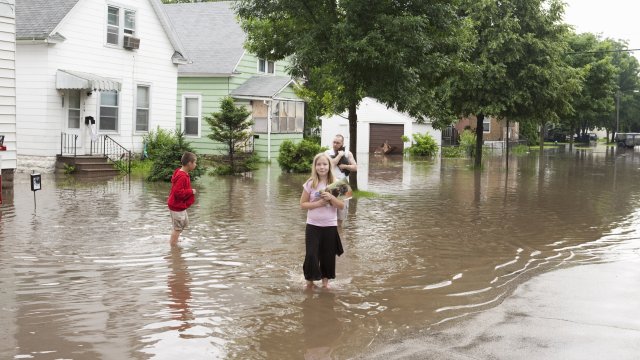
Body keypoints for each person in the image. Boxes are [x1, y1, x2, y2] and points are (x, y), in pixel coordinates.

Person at [300, 153, 345, 288]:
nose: (322, 167)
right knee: (311, 255)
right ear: (315, 167)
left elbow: (341, 206)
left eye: (325, 164)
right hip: (312, 225)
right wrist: (318, 204)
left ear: (329, 166)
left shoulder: (337, 182)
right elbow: (302, 204)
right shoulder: (310, 183)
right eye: (318, 164)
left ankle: (325, 283)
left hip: (330, 226)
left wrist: (331, 198)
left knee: (327, 255)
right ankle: (310, 281)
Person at [324, 134, 357, 226]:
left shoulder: (348, 153)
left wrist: (345, 166)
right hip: (330, 183)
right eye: (334, 142)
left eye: (338, 143)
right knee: (328, 213)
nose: (335, 144)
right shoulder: (327, 153)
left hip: (343, 185)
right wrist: (339, 155)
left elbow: (355, 167)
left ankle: (340, 236)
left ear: (342, 143)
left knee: (341, 215)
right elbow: (332, 164)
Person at [167, 152, 197, 247]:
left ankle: (175, 238)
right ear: (189, 163)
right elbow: (178, 192)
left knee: (184, 223)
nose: (196, 164)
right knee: (177, 228)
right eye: (195, 162)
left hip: (179, 205)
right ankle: (173, 246)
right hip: (176, 205)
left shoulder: (181, 172)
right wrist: (191, 192)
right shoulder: (182, 176)